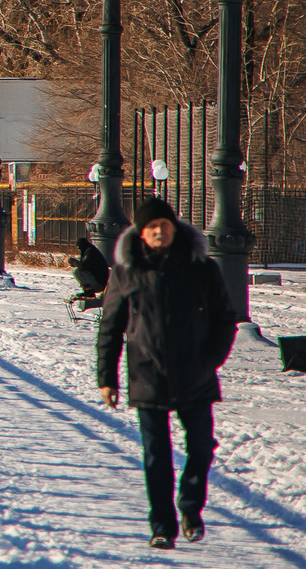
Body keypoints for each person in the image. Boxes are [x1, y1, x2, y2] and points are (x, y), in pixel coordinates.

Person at [97, 196, 238, 549]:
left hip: (196, 374)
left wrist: (210, 361)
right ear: (141, 233)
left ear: (174, 227)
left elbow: (225, 319)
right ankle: (162, 526)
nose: (159, 231)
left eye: (164, 225)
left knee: (202, 448)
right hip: (148, 375)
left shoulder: (201, 267)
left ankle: (190, 508)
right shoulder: (126, 272)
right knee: (156, 456)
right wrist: (107, 378)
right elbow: (110, 328)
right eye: (151, 227)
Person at [68, 233, 111, 312]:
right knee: (77, 271)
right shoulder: (89, 250)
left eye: (79, 248)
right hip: (97, 280)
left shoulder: (91, 252)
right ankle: (88, 290)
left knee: (77, 271)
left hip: (99, 284)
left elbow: (83, 266)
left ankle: (89, 291)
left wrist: (73, 262)